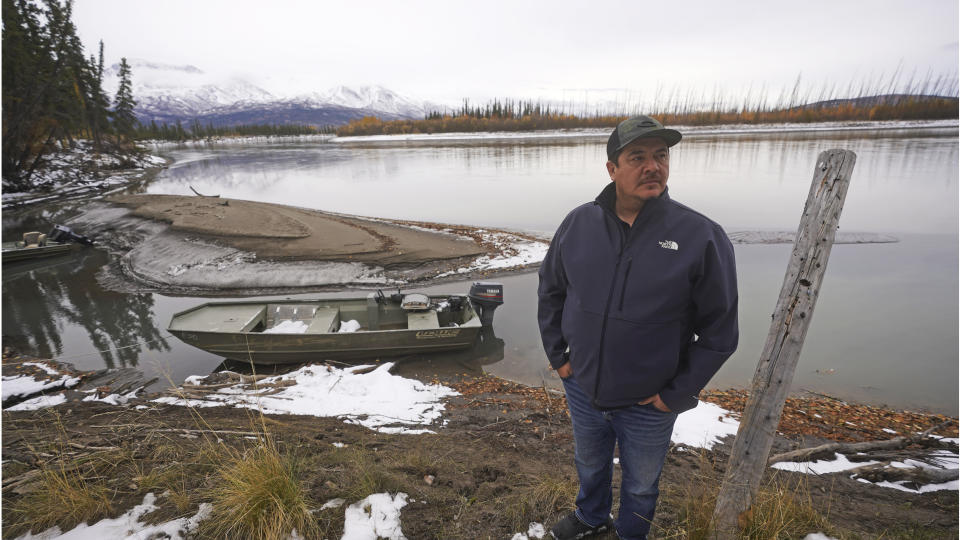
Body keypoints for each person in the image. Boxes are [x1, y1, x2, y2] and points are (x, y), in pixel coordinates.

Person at [537, 115, 739, 540]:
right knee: (589, 465)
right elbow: (551, 292)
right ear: (612, 169)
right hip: (584, 387)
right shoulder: (579, 224)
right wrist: (560, 358)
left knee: (642, 485)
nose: (653, 166)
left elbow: (720, 332)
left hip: (650, 403)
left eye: (661, 156)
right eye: (638, 157)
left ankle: (630, 534)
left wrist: (675, 395)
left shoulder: (700, 235)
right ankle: (591, 517)